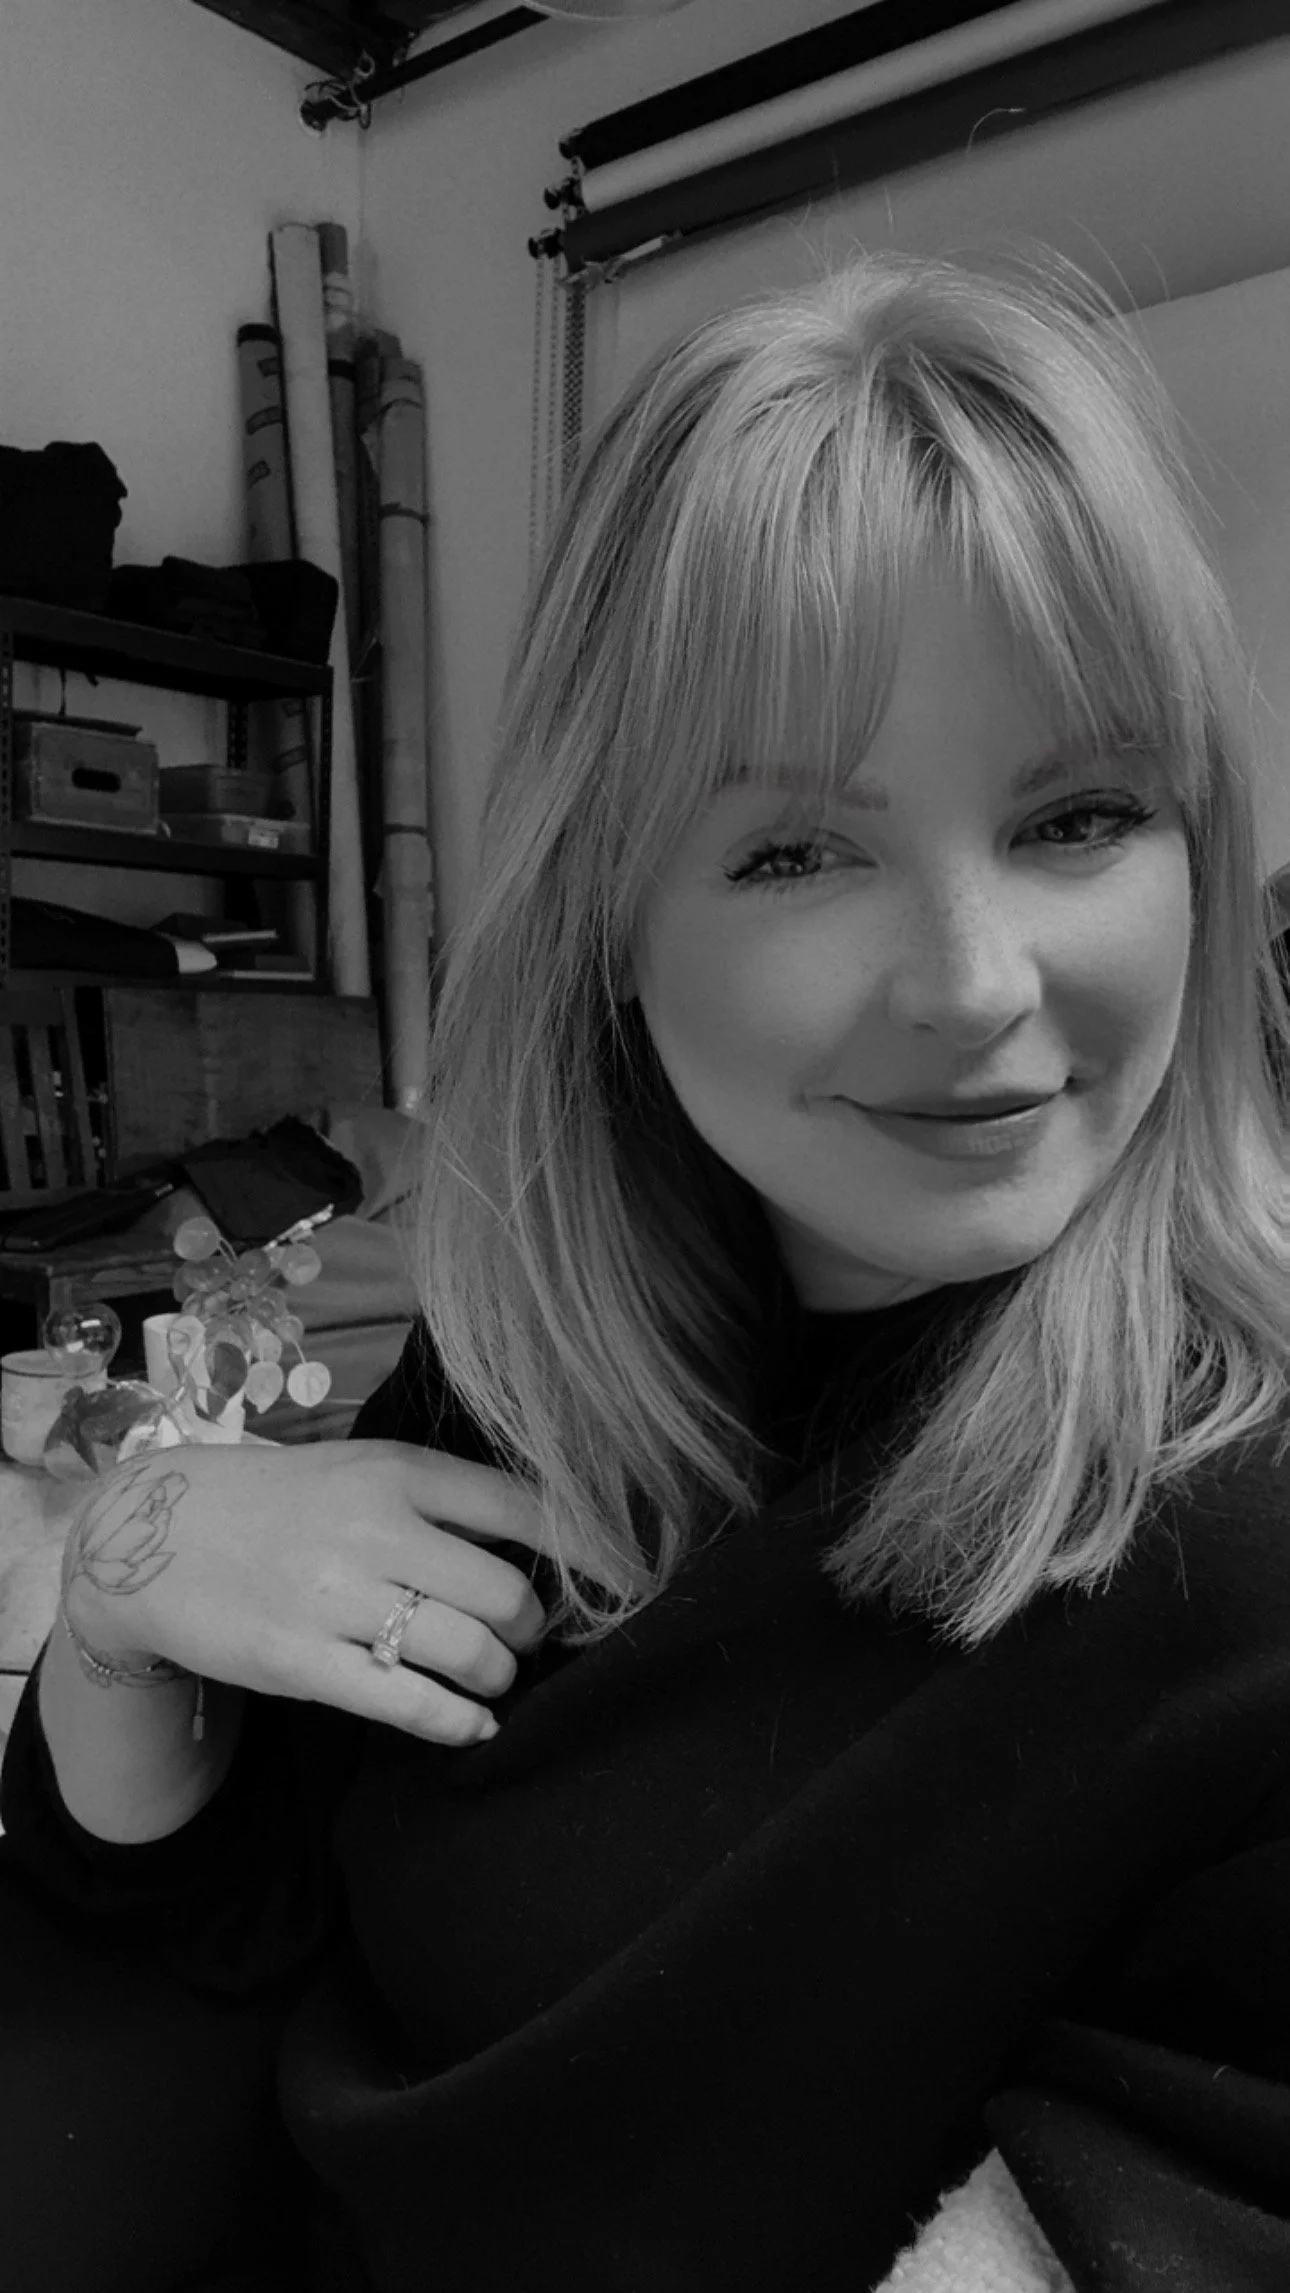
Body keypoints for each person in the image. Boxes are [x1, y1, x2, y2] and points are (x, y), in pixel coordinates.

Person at [2, 243, 1289, 2293]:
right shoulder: (536, 1373)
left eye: (1082, 813)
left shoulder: (1234, 1576)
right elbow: (158, 1914)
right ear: (608, 917)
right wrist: (131, 1584)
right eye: (801, 850)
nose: (974, 987)